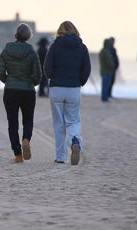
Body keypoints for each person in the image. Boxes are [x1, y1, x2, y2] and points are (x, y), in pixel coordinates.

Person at [44, 21, 91, 165]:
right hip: (73, 88)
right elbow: (86, 69)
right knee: (73, 120)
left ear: (60, 31)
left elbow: (47, 68)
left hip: (57, 88)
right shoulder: (82, 48)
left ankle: (60, 157)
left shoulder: (54, 46)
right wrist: (80, 82)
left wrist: (52, 78)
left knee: (59, 124)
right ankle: (75, 140)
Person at [0, 23, 42, 163]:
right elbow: (38, 75)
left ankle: (18, 155)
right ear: (28, 36)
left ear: (16, 35)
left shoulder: (6, 50)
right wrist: (31, 83)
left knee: (12, 124)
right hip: (27, 91)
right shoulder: (31, 52)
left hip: (10, 91)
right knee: (28, 120)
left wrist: (9, 81)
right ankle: (26, 140)